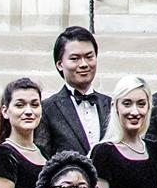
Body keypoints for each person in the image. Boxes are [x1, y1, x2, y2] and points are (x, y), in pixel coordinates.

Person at [40, 25, 111, 156]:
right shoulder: (47, 109)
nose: (84, 64)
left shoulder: (111, 105)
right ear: (60, 64)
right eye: (74, 58)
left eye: (89, 57)